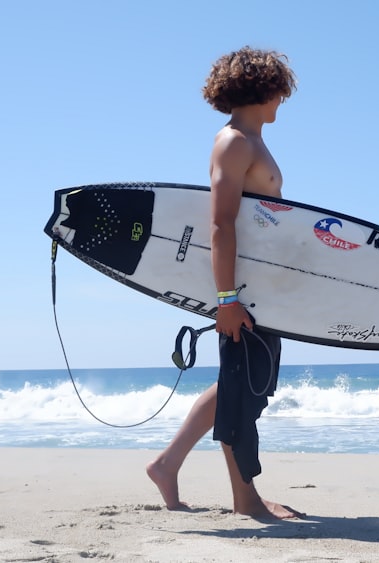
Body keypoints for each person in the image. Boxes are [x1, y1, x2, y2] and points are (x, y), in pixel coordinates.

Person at [146, 46, 301, 519]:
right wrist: (227, 299)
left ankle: (167, 465)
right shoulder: (234, 142)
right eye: (281, 91)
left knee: (244, 383)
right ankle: (245, 499)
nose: (283, 100)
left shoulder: (251, 141)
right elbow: (221, 224)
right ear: (264, 88)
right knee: (242, 388)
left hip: (260, 287)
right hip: (242, 290)